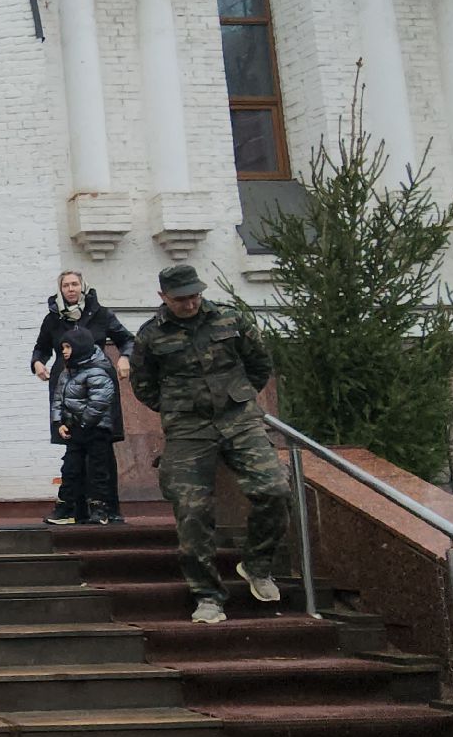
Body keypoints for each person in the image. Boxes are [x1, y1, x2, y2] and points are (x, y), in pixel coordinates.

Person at [132, 264, 290, 625]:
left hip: (239, 418)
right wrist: (178, 406)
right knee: (191, 509)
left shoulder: (230, 320)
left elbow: (259, 363)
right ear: (163, 298)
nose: (190, 304)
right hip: (188, 427)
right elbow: (144, 385)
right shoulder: (150, 336)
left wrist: (238, 396)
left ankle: (257, 565)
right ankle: (207, 595)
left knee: (275, 488)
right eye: (181, 299)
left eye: (194, 296)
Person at [49, 328, 122, 525]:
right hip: (75, 430)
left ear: (80, 347)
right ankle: (66, 509)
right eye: (63, 347)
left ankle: (100, 510)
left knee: (98, 470)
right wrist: (59, 423)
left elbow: (100, 402)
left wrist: (84, 423)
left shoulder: (97, 371)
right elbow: (59, 399)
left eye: (68, 347)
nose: (64, 351)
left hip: (96, 431)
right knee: (70, 469)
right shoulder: (68, 372)